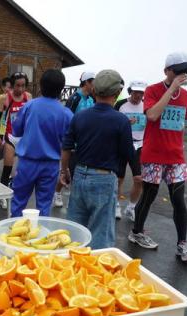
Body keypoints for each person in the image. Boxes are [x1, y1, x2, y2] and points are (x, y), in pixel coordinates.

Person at [128, 52, 187, 262]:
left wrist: (179, 146)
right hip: (154, 155)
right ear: (167, 70)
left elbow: (182, 122)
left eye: (186, 71)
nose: (182, 75)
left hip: (176, 156)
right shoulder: (152, 90)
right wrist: (172, 89)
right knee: (149, 196)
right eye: (179, 71)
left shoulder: (185, 96)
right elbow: (152, 115)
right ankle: (136, 232)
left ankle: (182, 244)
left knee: (178, 200)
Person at [60, 70, 133, 249]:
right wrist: (138, 173)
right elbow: (127, 152)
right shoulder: (121, 120)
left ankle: (71, 269)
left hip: (79, 174)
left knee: (75, 230)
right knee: (101, 232)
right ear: (116, 93)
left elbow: (66, 148)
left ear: (95, 91)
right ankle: (97, 271)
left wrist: (64, 170)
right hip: (104, 177)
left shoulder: (80, 116)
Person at [10, 69, 73, 217]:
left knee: (18, 201)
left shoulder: (29, 106)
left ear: (40, 85)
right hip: (50, 165)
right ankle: (41, 236)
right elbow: (68, 144)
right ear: (61, 89)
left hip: (27, 162)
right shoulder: (66, 113)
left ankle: (13, 234)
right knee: (44, 206)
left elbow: (16, 131)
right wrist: (65, 169)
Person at [53, 71, 96, 208]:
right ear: (86, 82)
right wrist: (67, 140)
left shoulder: (90, 99)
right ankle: (57, 193)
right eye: (92, 82)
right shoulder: (74, 98)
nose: (94, 85)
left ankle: (74, 197)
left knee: (79, 171)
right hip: (73, 141)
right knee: (67, 170)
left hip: (85, 142)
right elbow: (66, 118)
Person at [0, 72, 32, 208]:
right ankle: (2, 195)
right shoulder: (6, 98)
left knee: (22, 169)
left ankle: (16, 191)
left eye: (23, 86)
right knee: (7, 167)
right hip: (10, 136)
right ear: (12, 85)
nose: (20, 89)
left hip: (24, 138)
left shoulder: (28, 97)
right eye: (17, 86)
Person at [114, 80, 148, 221]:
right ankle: (116, 205)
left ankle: (131, 207)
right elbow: (112, 122)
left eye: (141, 92)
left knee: (139, 179)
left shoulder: (147, 106)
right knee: (119, 178)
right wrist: (125, 123)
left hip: (140, 145)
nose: (138, 95)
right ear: (130, 91)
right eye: (135, 92)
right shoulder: (120, 104)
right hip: (122, 144)